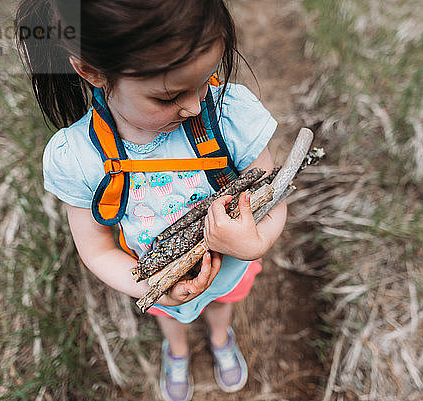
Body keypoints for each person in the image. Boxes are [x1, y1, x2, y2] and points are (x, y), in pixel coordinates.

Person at [15, 1, 286, 400]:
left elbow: (274, 194)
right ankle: (176, 350)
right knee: (171, 317)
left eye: (207, 78)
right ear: (91, 72)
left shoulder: (229, 114)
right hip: (156, 283)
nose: (195, 105)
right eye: (168, 96)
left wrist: (256, 243)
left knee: (221, 301)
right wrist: (157, 287)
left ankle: (219, 335)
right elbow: (98, 250)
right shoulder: (79, 158)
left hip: (232, 266)